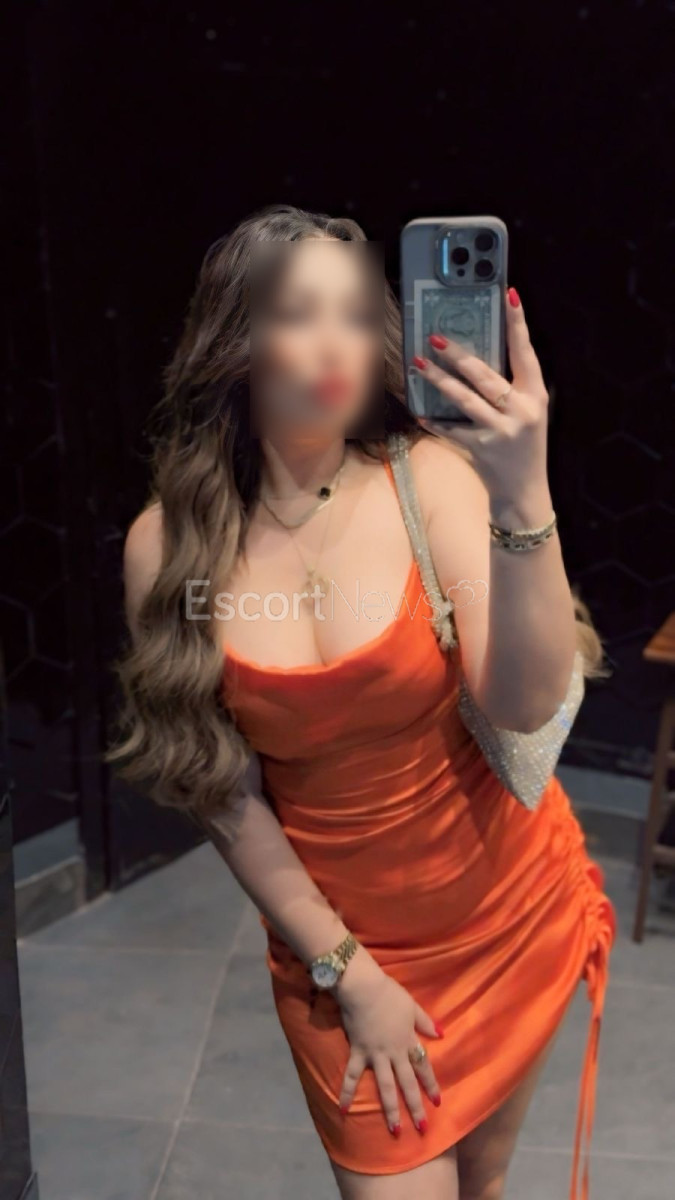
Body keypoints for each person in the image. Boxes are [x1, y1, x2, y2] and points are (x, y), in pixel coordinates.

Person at [107, 203, 617, 1200]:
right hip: (338, 951)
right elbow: (220, 790)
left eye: (354, 312)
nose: (335, 344)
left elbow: (522, 707)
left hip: (508, 911)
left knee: (484, 1185)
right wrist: (347, 970)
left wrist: (523, 495)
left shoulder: (431, 480)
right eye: (300, 313)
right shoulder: (167, 550)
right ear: (236, 338)